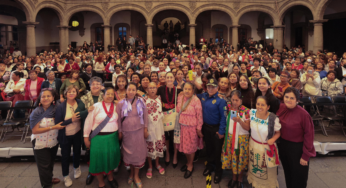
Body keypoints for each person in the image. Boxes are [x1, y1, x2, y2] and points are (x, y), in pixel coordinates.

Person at [276, 87, 316, 188]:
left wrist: (306, 155)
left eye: (292, 98)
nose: (288, 100)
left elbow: (309, 135)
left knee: (299, 178)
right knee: (288, 175)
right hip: (284, 146)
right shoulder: (281, 108)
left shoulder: (303, 114)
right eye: (286, 97)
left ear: (297, 100)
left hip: (298, 149)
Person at [83, 87, 120, 188]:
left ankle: (110, 178)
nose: (110, 96)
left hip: (112, 138)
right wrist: (86, 137)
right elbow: (88, 122)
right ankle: (101, 182)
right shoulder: (96, 106)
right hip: (98, 138)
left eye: (112, 94)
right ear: (103, 95)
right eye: (108, 94)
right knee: (98, 160)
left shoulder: (116, 106)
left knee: (110, 158)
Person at [29, 89, 65, 188]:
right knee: (43, 166)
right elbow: (35, 130)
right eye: (43, 96)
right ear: (40, 99)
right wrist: (53, 127)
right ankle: (47, 185)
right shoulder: (36, 112)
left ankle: (49, 178)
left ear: (53, 98)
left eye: (48, 96)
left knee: (50, 162)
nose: (46, 98)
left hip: (53, 141)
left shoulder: (57, 108)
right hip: (40, 142)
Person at [116, 82, 148, 188]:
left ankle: (136, 176)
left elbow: (146, 116)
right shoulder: (121, 103)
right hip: (126, 133)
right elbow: (118, 120)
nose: (131, 92)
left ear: (136, 91)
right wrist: (119, 131)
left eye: (133, 90)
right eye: (129, 89)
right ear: (126, 90)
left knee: (138, 153)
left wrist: (145, 129)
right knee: (128, 153)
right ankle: (130, 173)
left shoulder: (141, 102)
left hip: (139, 131)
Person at [197, 78, 227, 184]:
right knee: (209, 149)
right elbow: (193, 93)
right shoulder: (204, 96)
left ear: (217, 87)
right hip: (206, 127)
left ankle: (219, 171)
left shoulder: (221, 100)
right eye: (209, 86)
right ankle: (210, 166)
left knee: (217, 151)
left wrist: (221, 131)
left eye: (213, 87)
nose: (210, 88)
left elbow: (224, 117)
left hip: (216, 129)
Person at [55, 85, 86, 187]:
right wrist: (71, 120)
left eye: (73, 91)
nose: (71, 93)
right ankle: (66, 176)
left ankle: (76, 168)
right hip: (66, 135)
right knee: (65, 156)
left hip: (77, 133)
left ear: (77, 93)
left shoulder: (80, 103)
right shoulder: (60, 107)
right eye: (69, 92)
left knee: (77, 152)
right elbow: (58, 124)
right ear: (65, 94)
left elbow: (84, 114)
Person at [247, 96, 281, 188]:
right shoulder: (252, 113)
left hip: (266, 148)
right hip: (253, 145)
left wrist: (273, 139)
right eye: (258, 104)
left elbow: (278, 133)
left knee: (266, 170)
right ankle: (255, 184)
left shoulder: (273, 118)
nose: (260, 106)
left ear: (268, 107)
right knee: (255, 166)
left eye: (263, 105)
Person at [221, 90, 250, 188]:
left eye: (237, 100)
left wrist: (240, 121)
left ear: (241, 100)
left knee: (240, 159)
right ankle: (233, 178)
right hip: (230, 138)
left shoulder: (246, 111)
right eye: (233, 100)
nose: (234, 102)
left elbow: (247, 128)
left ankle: (240, 179)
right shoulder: (228, 108)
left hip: (241, 140)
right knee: (233, 159)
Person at [176, 82, 204, 179]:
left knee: (191, 148)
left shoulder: (196, 100)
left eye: (189, 89)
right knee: (184, 146)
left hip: (191, 127)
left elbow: (200, 116)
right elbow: (177, 110)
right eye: (185, 89)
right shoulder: (180, 98)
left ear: (193, 90)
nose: (187, 91)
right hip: (181, 126)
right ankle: (188, 162)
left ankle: (190, 165)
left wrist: (199, 128)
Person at [157, 72, 182, 168]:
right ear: (165, 79)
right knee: (166, 137)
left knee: (175, 136)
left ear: (174, 78)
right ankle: (167, 154)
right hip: (164, 116)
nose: (169, 79)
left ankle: (175, 155)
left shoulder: (178, 90)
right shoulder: (160, 89)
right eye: (168, 77)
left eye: (171, 77)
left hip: (175, 116)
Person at [144, 82, 166, 179]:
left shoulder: (160, 98)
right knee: (149, 145)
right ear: (147, 89)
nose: (152, 89)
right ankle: (150, 166)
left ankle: (157, 164)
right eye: (150, 88)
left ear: (156, 89)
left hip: (159, 126)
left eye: (154, 87)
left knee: (157, 144)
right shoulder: (143, 99)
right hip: (148, 126)